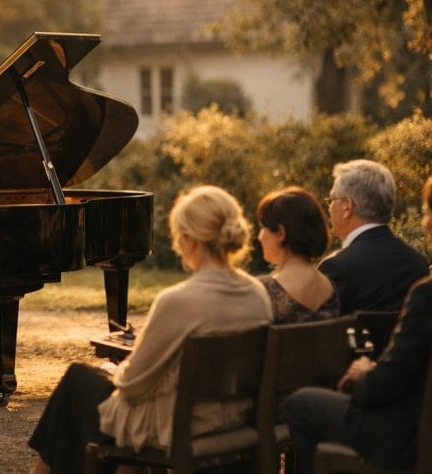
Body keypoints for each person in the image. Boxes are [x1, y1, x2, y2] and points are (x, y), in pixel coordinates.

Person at [27, 185, 273, 474]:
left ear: (189, 240)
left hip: (180, 424)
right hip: (234, 417)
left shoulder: (178, 301)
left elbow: (132, 385)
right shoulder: (257, 294)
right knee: (89, 393)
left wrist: (114, 371)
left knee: (78, 383)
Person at [284, 163, 432, 472]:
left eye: (427, 215)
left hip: (411, 431)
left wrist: (363, 373)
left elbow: (384, 386)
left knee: (300, 403)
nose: (423, 224)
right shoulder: (426, 269)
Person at [318, 159, 429, 314]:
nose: (329, 208)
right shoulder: (417, 262)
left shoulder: (336, 267)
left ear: (347, 206)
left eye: (331, 200)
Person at [256, 187, 340, 323]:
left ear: (281, 233)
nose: (259, 236)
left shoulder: (265, 290)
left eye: (263, 227)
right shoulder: (330, 288)